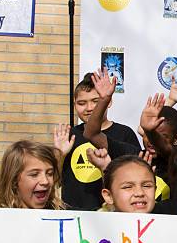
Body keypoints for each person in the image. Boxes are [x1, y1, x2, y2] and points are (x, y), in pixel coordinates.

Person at [60, 71, 140, 210]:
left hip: (111, 212)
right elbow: (54, 176)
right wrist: (59, 154)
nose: (89, 108)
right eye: (82, 103)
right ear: (74, 105)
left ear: (108, 102)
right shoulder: (69, 134)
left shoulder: (124, 133)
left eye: (95, 101)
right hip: (72, 213)